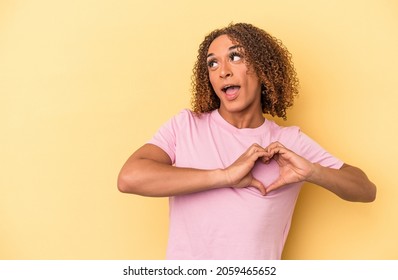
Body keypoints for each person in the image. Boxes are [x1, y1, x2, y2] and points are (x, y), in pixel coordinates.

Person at [117, 23, 376, 260]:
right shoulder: (186, 126)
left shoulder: (288, 142)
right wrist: (225, 176)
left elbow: (366, 190)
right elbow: (129, 178)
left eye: (235, 57)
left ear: (262, 68)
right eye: (213, 64)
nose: (223, 72)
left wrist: (313, 171)